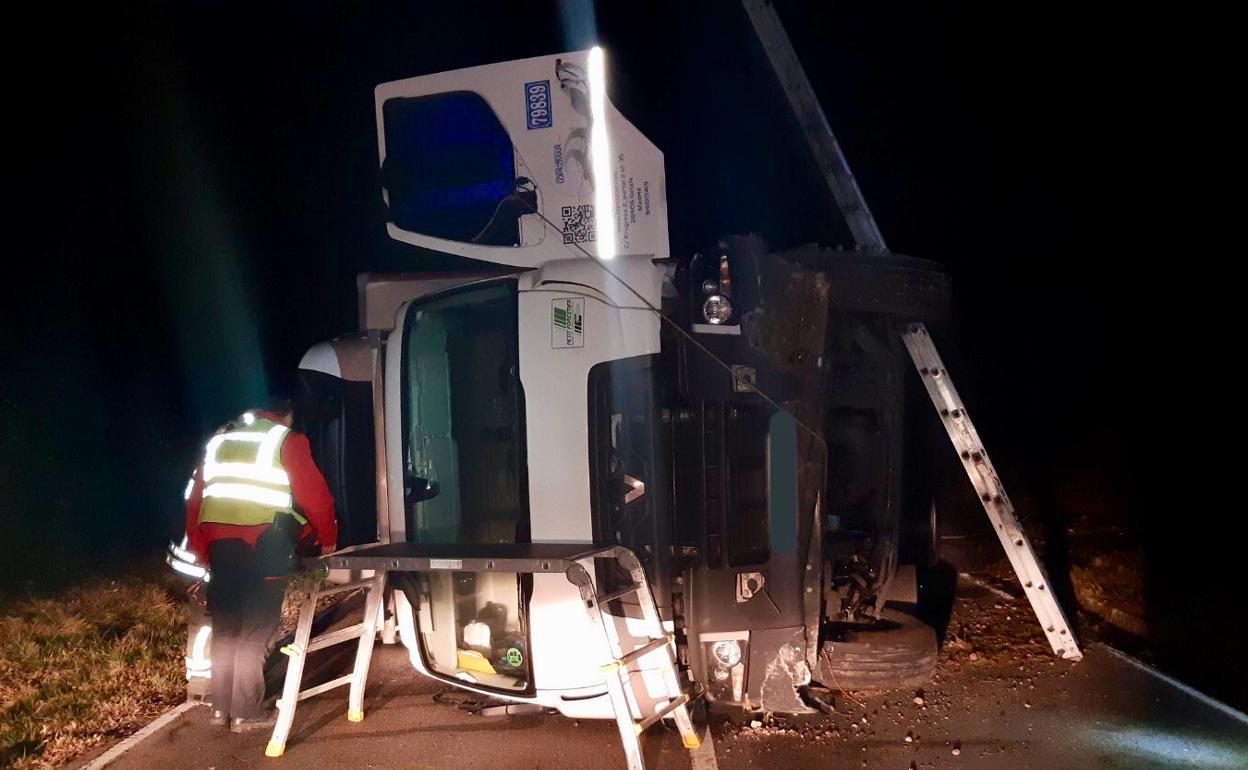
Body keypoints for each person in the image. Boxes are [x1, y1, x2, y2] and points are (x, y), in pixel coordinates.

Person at [184, 397, 337, 732]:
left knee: (227, 628)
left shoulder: (219, 442)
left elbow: (195, 503)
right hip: (264, 547)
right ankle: (247, 711)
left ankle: (221, 707)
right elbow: (315, 496)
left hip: (221, 550)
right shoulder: (286, 440)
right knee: (257, 630)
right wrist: (328, 537)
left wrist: (204, 550)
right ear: (287, 415)